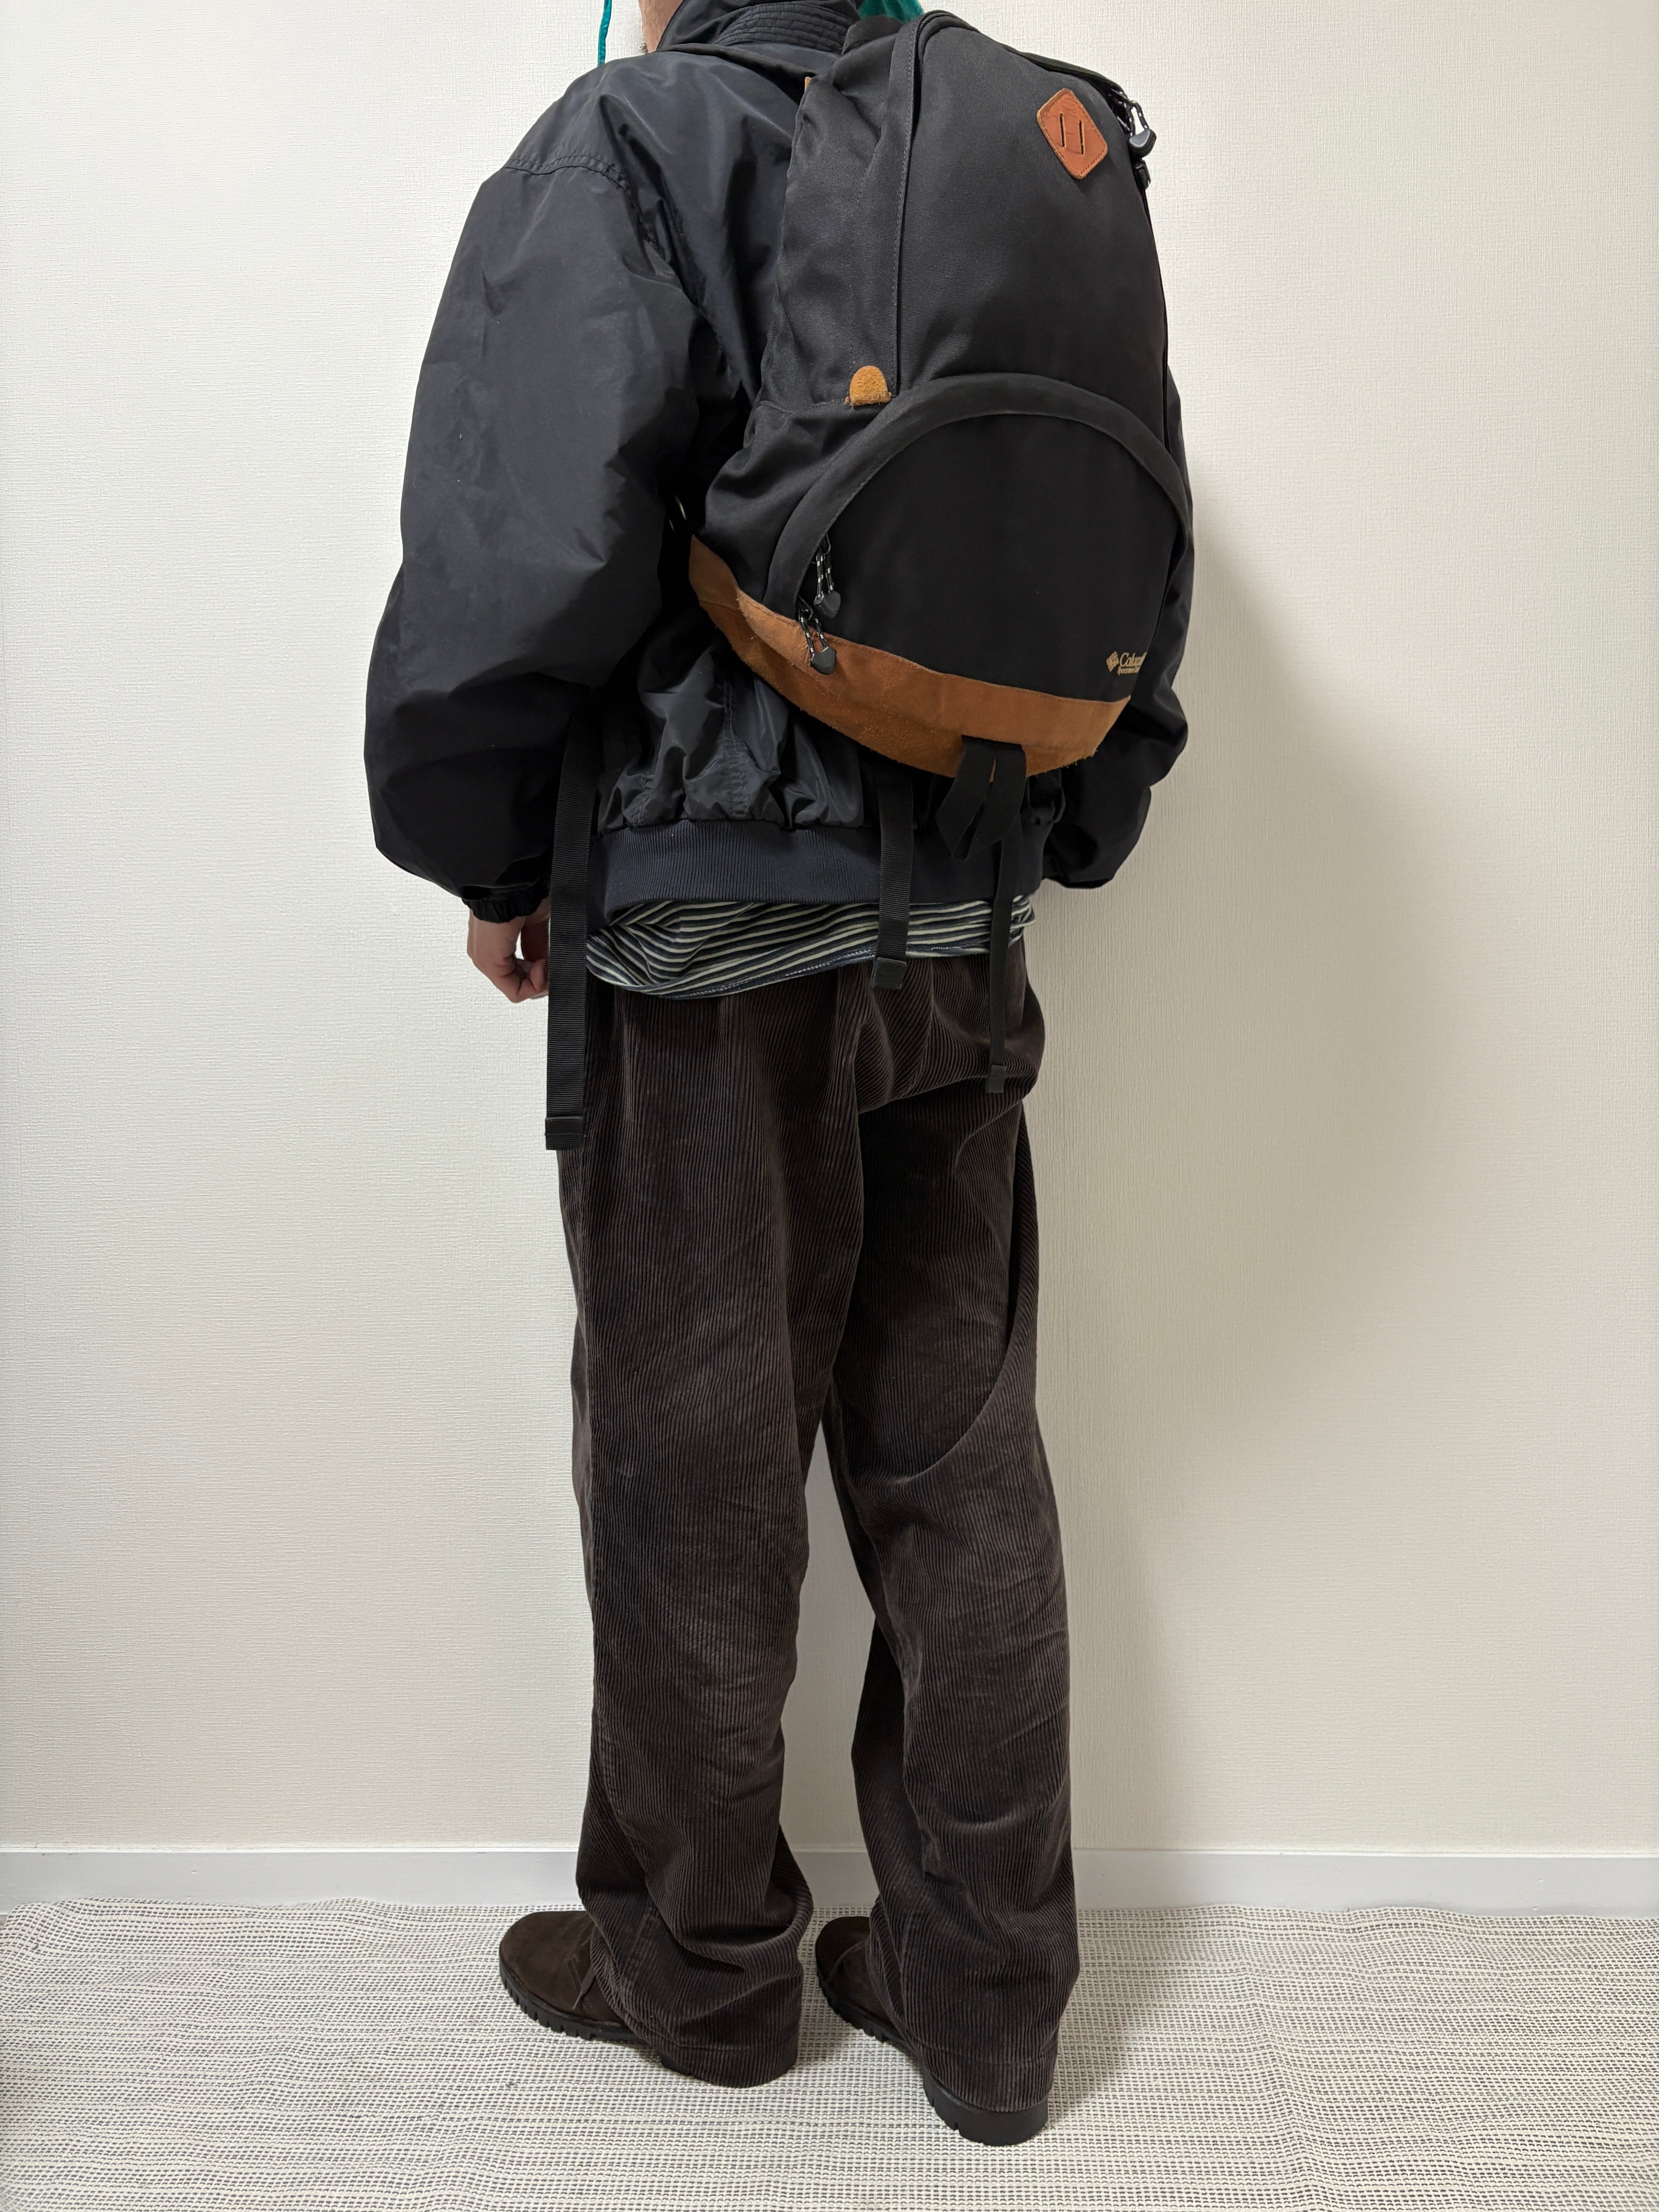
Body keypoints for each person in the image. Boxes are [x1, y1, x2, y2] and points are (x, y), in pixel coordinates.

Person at [365, 0, 1191, 2147]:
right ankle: (983, 1998)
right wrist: (1058, 834)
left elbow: (525, 548)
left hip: (706, 921)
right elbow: (1134, 535)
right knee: (958, 1457)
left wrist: (488, 848)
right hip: (960, 926)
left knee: (692, 1460)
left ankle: (702, 1970)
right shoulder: (1030, 155)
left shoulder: (640, 137)